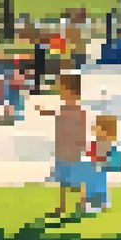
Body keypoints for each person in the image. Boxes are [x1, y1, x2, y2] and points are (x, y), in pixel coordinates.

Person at [36, 72, 89, 215]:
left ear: (71, 92)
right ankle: (62, 206)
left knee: (75, 179)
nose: (61, 93)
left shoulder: (77, 110)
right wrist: (43, 111)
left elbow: (81, 127)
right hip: (62, 148)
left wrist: (81, 145)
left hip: (72, 149)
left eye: (62, 90)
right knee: (63, 180)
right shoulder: (64, 108)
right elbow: (56, 114)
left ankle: (83, 202)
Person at [85, 114, 121, 214]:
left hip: (98, 165)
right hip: (98, 165)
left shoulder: (104, 140)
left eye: (98, 126)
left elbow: (99, 152)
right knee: (99, 185)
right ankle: (103, 202)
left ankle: (96, 205)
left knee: (95, 186)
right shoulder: (103, 140)